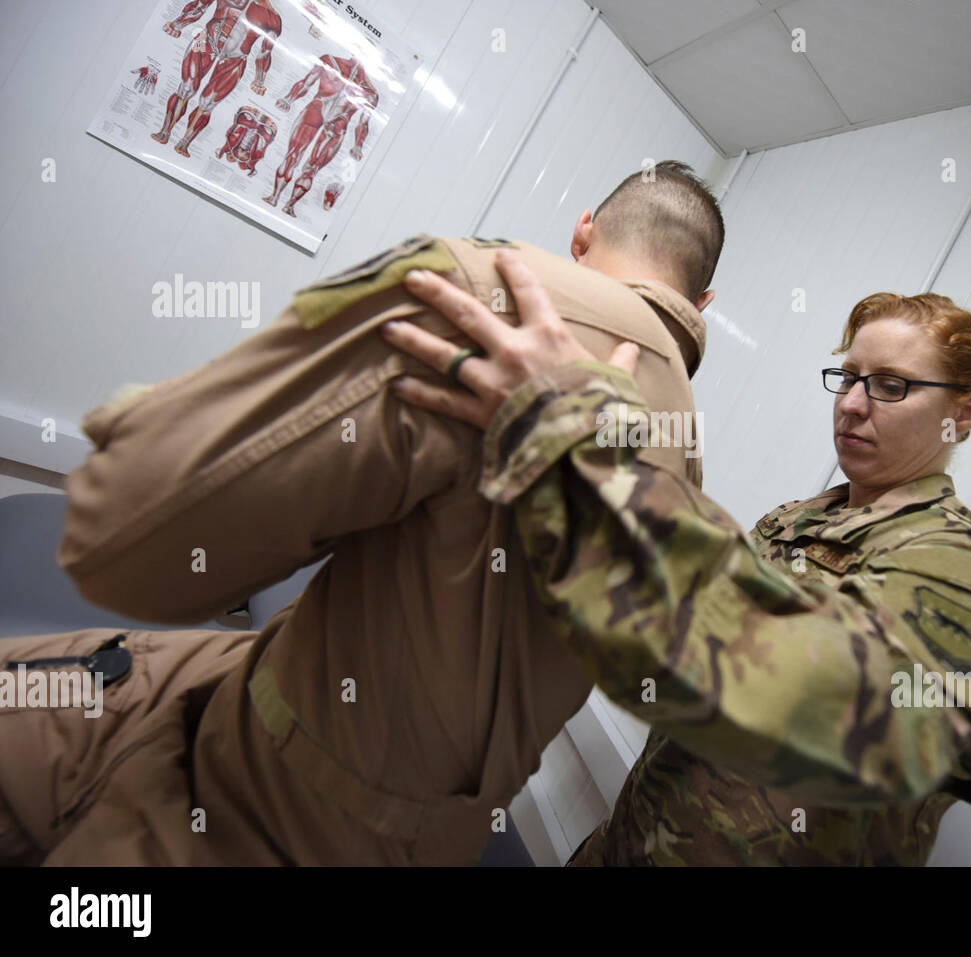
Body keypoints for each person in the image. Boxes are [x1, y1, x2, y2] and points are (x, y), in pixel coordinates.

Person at [0, 161, 721, 865]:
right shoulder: (688, 466)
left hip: (253, 801)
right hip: (397, 812)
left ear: (584, 228)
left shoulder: (490, 299)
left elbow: (131, 541)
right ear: (705, 301)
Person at [380, 253, 971, 866]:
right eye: (846, 378)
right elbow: (683, 644)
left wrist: (583, 454)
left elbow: (858, 707)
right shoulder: (794, 521)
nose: (849, 405)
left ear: (964, 412)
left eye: (890, 386)